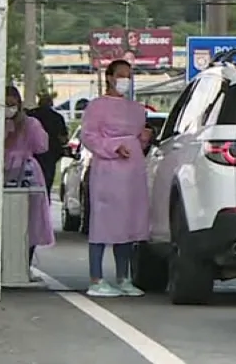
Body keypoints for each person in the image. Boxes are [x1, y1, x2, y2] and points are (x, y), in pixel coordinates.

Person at [79, 59, 151, 298]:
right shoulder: (97, 106)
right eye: (120, 75)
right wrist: (113, 148)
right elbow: (89, 136)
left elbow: (138, 138)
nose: (125, 80)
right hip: (108, 170)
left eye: (128, 76)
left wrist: (143, 139)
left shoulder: (137, 109)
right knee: (103, 222)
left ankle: (124, 277)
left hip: (132, 169)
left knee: (128, 223)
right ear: (109, 77)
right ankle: (96, 278)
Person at [0, 87, 55, 275]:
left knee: (31, 219)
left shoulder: (30, 123)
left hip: (28, 172)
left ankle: (24, 264)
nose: (9, 108)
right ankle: (0, 262)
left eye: (12, 104)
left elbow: (42, 146)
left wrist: (27, 128)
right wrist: (8, 139)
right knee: (4, 218)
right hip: (3, 173)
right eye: (5, 104)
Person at [26, 91, 69, 197]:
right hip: (50, 157)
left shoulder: (30, 115)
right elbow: (63, 139)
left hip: (30, 157)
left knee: (27, 188)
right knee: (46, 188)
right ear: (51, 103)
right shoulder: (57, 118)